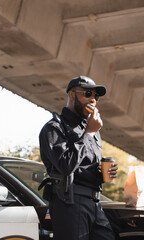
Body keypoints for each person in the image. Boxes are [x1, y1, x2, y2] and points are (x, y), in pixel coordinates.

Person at [39, 76, 118, 240]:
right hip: (70, 203)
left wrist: (103, 172)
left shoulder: (93, 130)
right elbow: (66, 165)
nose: (93, 100)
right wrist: (88, 133)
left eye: (96, 96)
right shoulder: (54, 128)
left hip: (95, 203)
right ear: (72, 94)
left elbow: (84, 167)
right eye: (88, 94)